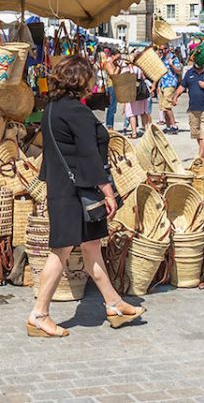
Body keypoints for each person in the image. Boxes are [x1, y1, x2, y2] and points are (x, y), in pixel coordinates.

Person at [29, 55, 143, 337]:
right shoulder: (76, 112)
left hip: (63, 187)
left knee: (91, 245)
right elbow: (89, 155)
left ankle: (113, 303)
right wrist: (108, 190)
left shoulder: (52, 108)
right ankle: (38, 315)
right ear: (80, 81)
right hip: (75, 191)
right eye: (90, 76)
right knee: (61, 250)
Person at [154, 43, 184, 135]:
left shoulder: (173, 58)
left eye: (162, 49)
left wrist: (171, 65)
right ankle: (168, 126)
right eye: (160, 50)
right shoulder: (162, 59)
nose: (161, 51)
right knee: (163, 107)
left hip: (170, 84)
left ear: (168, 49)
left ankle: (174, 125)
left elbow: (179, 71)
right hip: (162, 84)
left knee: (167, 106)